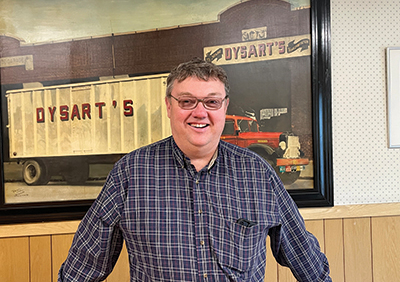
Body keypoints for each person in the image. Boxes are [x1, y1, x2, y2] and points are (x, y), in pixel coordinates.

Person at [58, 58, 331, 281]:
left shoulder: (258, 174)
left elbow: (308, 263)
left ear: (224, 107)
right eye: (187, 101)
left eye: (211, 102)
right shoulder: (130, 173)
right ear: (169, 106)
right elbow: (81, 269)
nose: (200, 112)